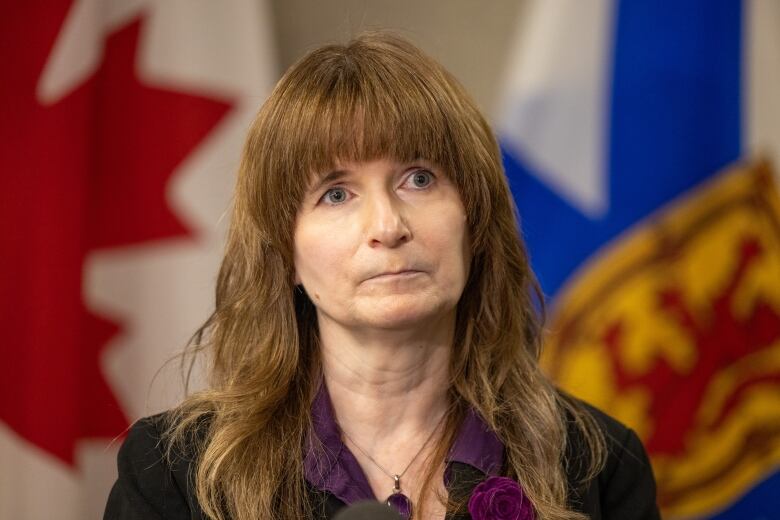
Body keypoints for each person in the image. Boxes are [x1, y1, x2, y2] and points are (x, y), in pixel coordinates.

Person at [104, 32, 660, 520]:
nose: (388, 226)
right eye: (336, 193)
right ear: (285, 252)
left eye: (419, 179)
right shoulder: (172, 474)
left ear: (474, 220)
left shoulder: (601, 465)